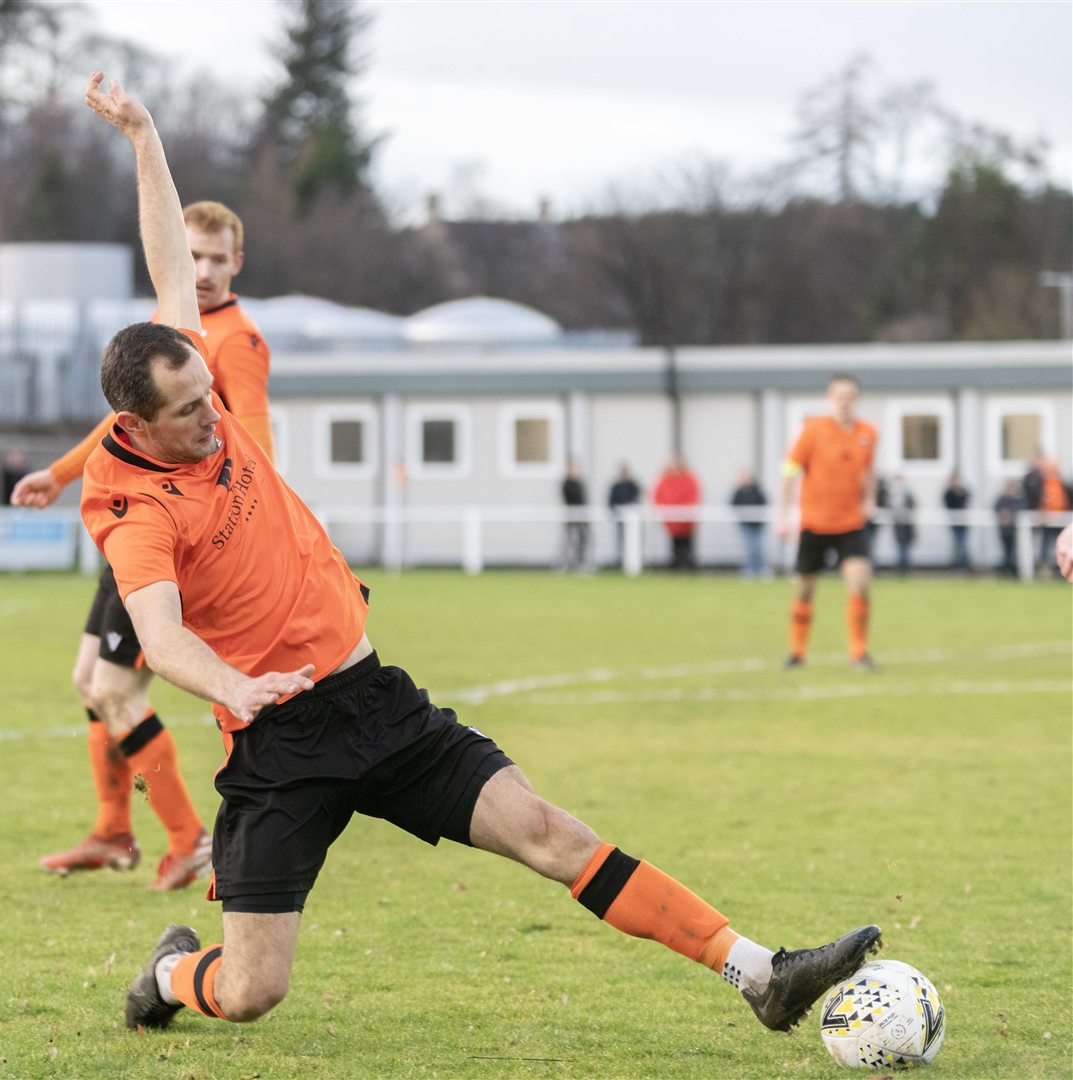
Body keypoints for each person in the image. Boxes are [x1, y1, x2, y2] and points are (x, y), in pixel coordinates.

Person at [77, 71, 879, 1042]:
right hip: (278, 745)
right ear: (136, 424)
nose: (217, 416)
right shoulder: (131, 508)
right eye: (192, 412)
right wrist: (233, 688)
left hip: (373, 699)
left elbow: (170, 269)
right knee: (252, 991)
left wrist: (144, 134)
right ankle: (169, 976)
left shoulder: (193, 381)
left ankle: (760, 972)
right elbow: (158, 637)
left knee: (550, 832)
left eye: (211, 392)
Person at [11, 198, 273, 891]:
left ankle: (187, 839)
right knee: (88, 683)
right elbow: (126, 425)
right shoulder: (168, 329)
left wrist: (244, 524)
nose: (205, 270)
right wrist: (62, 474)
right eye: (193, 257)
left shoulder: (233, 341)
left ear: (237, 263)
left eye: (218, 259)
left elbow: (251, 442)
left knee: (113, 689)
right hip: (131, 522)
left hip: (169, 532)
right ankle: (113, 830)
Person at [776, 375, 877, 672]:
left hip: (851, 522)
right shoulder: (812, 430)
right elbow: (789, 469)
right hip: (814, 522)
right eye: (838, 396)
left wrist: (869, 499)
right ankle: (797, 652)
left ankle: (858, 653)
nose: (844, 402)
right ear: (829, 399)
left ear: (857, 400)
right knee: (805, 588)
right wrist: (783, 514)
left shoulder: (868, 433)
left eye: (849, 396)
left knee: (859, 583)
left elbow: (869, 470)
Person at [652, 456, 700, 570]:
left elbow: (693, 497)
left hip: (687, 521)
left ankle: (688, 566)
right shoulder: (665, 479)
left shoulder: (689, 479)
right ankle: (676, 566)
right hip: (671, 521)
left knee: (686, 545)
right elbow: (658, 497)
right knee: (675, 545)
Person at [1028, 455, 1072, 578]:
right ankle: (1044, 569)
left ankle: (1059, 570)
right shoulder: (1041, 483)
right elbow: (1035, 498)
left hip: (1061, 521)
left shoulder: (1062, 483)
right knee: (1046, 546)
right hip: (1046, 521)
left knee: (1061, 546)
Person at [731, 469, 768, 579]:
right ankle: (749, 569)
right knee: (749, 549)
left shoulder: (757, 490)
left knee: (759, 548)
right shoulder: (738, 492)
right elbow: (733, 505)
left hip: (757, 525)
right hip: (745, 525)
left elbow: (763, 503)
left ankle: (762, 569)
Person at [606, 464, 641, 569]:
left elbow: (636, 499)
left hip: (632, 520)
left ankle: (632, 563)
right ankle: (621, 562)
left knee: (633, 541)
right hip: (620, 519)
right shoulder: (616, 486)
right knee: (621, 541)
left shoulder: (633, 486)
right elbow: (611, 502)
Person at [559, 458, 590, 572]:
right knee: (570, 540)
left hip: (581, 515)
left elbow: (583, 499)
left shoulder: (579, 482)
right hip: (570, 515)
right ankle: (569, 563)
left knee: (582, 538)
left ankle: (581, 562)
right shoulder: (566, 483)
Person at [886, 475, 916, 575]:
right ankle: (901, 569)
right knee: (900, 548)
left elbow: (913, 506)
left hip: (907, 527)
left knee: (905, 548)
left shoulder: (908, 495)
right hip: (898, 527)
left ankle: (905, 569)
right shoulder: (890, 496)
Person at [941, 471, 970, 571]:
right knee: (957, 545)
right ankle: (957, 565)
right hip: (954, 522)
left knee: (963, 544)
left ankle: (964, 565)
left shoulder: (963, 491)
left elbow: (966, 502)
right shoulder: (948, 493)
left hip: (963, 523)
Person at [993, 480, 1023, 576]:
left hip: (1014, 530)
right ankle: (1006, 569)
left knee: (1013, 550)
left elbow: (1020, 509)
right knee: (1006, 550)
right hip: (1004, 530)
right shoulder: (1001, 499)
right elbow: (996, 509)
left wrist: (1010, 516)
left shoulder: (1017, 499)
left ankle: (1012, 569)